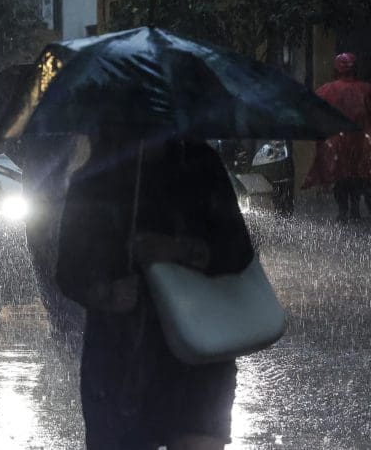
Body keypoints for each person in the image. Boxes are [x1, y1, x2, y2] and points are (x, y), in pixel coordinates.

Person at [55, 133, 254, 449]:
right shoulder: (95, 180)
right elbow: (68, 271)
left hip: (198, 356)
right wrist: (106, 293)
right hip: (120, 362)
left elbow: (238, 253)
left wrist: (179, 250)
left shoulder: (201, 166)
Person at [303, 53, 371, 222]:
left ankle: (343, 211)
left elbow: (312, 108)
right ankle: (354, 209)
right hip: (361, 142)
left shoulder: (327, 89)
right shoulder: (366, 89)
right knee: (358, 175)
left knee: (341, 177)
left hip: (337, 142)